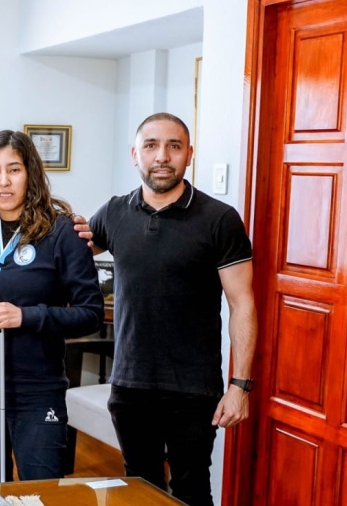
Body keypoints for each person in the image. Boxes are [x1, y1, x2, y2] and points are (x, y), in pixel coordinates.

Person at [86, 112, 257, 506]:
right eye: (151, 146)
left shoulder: (219, 220)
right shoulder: (113, 213)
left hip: (193, 389)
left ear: (189, 154)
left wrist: (240, 386)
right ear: (135, 154)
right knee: (137, 490)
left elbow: (242, 303)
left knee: (192, 491)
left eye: (173, 146)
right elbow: (68, 256)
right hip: (130, 384)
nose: (162, 156)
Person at [0, 130, 104, 483]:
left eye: (14, 169)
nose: (4, 182)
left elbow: (91, 313)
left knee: (43, 491)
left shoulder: (62, 232)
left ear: (31, 174)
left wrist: (27, 316)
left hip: (36, 392)